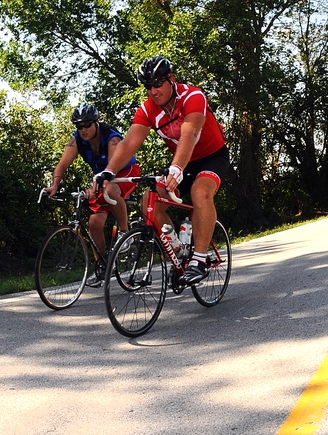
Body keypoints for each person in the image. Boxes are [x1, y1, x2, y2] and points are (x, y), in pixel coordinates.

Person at [97, 55, 230, 287]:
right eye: (148, 86)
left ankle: (198, 260)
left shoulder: (193, 96)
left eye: (158, 84)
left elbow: (190, 133)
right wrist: (108, 171)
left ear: (171, 79)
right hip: (183, 161)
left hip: (212, 156)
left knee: (200, 192)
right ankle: (178, 251)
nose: (153, 91)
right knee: (150, 200)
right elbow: (128, 144)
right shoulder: (148, 110)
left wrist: (177, 168)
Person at [45, 105, 137, 277]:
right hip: (100, 179)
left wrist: (96, 186)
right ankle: (103, 266)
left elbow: (112, 167)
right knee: (94, 224)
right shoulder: (76, 140)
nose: (83, 129)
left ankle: (125, 233)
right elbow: (63, 164)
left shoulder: (111, 138)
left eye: (87, 124)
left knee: (109, 189)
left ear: (96, 123)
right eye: (79, 126)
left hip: (123, 172)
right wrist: (54, 185)